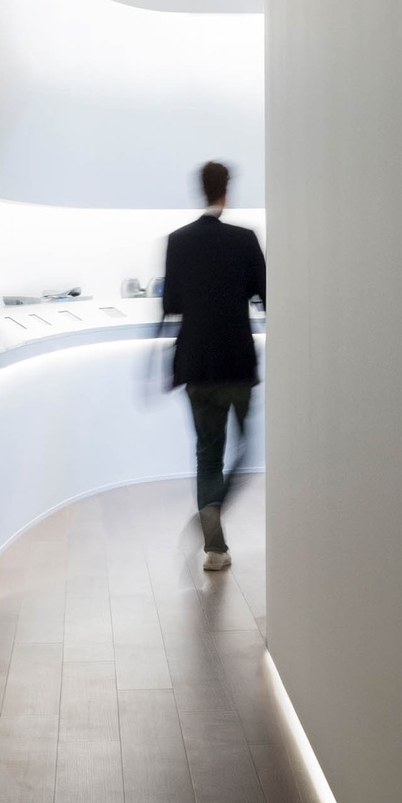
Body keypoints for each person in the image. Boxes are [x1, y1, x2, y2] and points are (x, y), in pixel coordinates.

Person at [162, 161, 265, 571]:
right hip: (237, 361)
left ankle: (214, 545)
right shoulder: (244, 240)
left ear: (200, 190)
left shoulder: (178, 241)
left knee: (207, 454)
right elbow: (265, 295)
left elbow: (171, 304)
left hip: (196, 362)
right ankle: (214, 506)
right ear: (227, 190)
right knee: (247, 447)